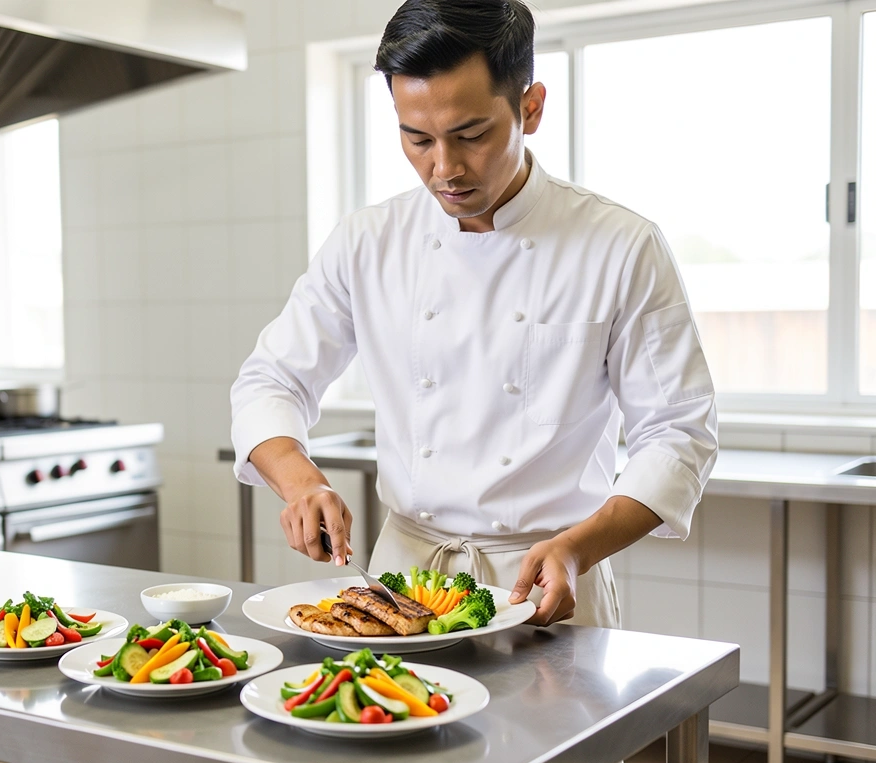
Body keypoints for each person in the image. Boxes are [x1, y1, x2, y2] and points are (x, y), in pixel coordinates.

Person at [229, 0, 717, 628]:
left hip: (545, 587)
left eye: (471, 135)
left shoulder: (619, 245)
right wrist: (301, 482)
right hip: (399, 588)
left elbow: (678, 432)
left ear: (530, 108)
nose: (444, 168)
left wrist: (579, 547)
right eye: (417, 139)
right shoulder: (368, 241)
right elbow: (272, 379)